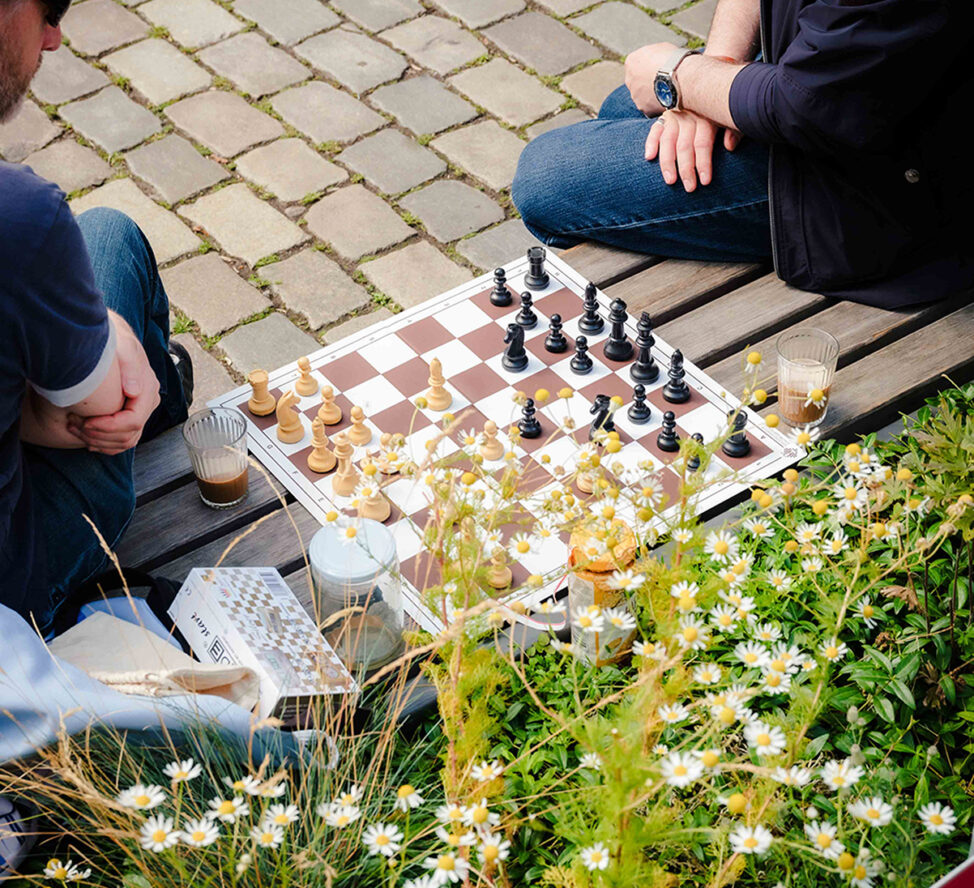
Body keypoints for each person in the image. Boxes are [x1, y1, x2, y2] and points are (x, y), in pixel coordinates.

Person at [512, 0, 974, 310]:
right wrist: (711, 74)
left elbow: (809, 103)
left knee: (546, 178)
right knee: (628, 106)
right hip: (827, 96)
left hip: (886, 190)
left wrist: (680, 75)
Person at [0, 0, 192, 638]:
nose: (55, 37)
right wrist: (113, 329)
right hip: (13, 584)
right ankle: (165, 389)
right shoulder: (21, 220)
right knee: (109, 235)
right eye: (49, 6)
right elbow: (93, 417)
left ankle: (158, 381)